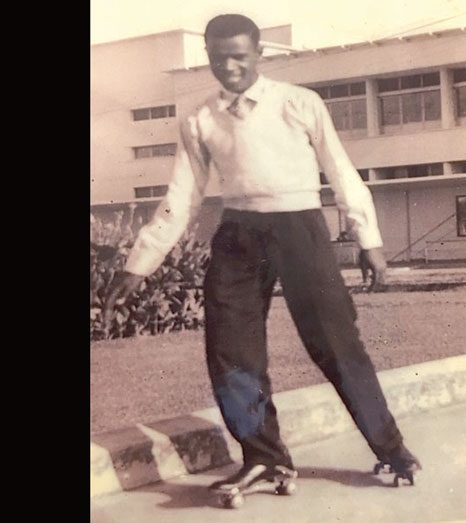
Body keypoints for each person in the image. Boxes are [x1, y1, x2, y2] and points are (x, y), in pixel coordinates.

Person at [103, 13, 421, 498]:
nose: (228, 66)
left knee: (335, 345)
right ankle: (265, 458)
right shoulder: (200, 119)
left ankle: (393, 450)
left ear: (258, 54)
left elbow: (341, 171)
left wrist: (368, 238)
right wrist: (139, 262)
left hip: (301, 229)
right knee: (231, 351)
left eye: (238, 55)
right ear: (206, 54)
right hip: (238, 235)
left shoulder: (300, 103)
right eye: (217, 56)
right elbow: (181, 195)